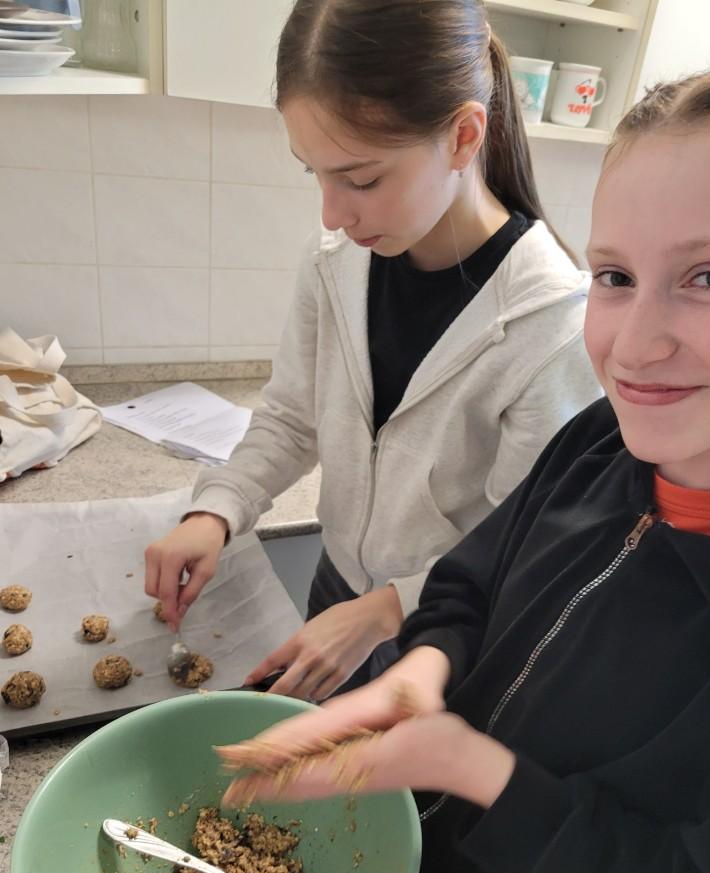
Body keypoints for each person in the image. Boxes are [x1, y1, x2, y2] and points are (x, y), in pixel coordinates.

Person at [215, 56, 710, 873]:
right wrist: (424, 670)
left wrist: (474, 772)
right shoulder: (603, 442)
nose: (635, 342)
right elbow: (473, 580)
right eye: (614, 276)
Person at [143, 0, 600, 700]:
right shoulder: (335, 260)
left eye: (361, 180)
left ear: (463, 137)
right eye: (315, 174)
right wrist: (217, 509)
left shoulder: (551, 323)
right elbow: (292, 417)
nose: (333, 213)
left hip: (448, 632)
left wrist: (389, 609)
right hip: (339, 588)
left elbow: (525, 542)